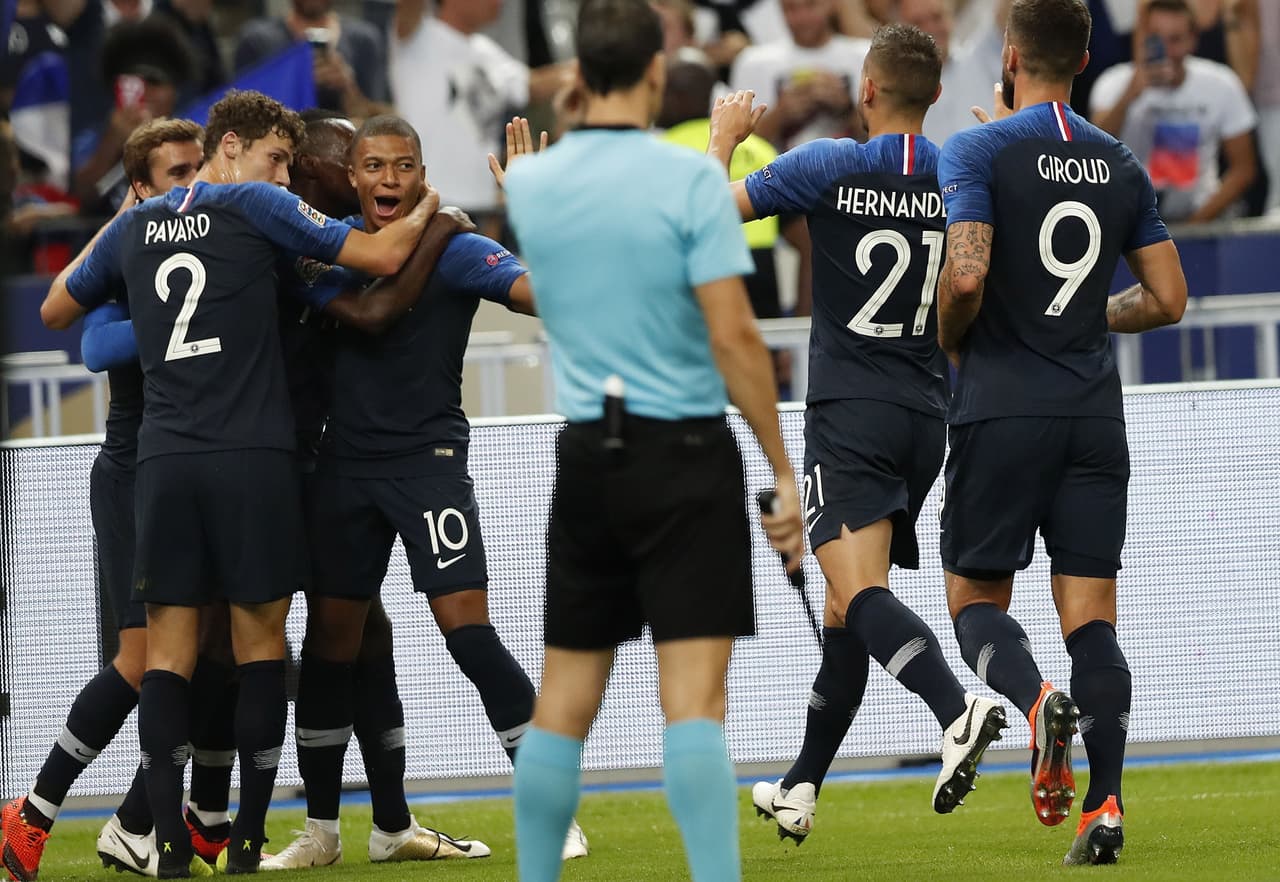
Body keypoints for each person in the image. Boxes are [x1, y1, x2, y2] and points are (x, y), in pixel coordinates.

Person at [38, 89, 437, 878]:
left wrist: (138, 274)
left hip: (165, 463)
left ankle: (174, 845)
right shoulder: (258, 209)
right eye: (278, 158)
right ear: (233, 149)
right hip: (253, 459)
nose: (285, 176)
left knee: (168, 659)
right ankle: (246, 844)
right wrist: (433, 209)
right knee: (258, 651)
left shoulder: (136, 224)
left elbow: (58, 312)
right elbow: (382, 262)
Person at [499, 2, 805, 880]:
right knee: (694, 706)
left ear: (577, 75)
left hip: (589, 450)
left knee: (563, 703)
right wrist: (783, 472)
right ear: (657, 74)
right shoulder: (689, 185)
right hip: (685, 452)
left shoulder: (534, 186)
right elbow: (736, 338)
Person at [707, 24, 1009, 846]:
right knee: (845, 609)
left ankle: (958, 707)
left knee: (862, 592)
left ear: (866, 89)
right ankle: (801, 786)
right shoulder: (962, 171)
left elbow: (704, 224)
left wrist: (723, 140)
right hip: (925, 415)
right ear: (936, 95)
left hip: (847, 412)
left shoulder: (828, 164)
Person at [261, 112, 559, 869]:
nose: (388, 180)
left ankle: (552, 810)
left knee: (468, 632)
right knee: (329, 649)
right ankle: (321, 832)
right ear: (352, 179)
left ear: (420, 174)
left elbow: (540, 293)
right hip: (344, 472)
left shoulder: (457, 249)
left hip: (428, 466)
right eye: (374, 167)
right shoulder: (321, 253)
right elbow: (371, 308)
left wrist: (537, 212)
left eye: (403, 168)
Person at [936, 0, 1187, 865]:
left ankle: (1039, 702)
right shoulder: (1118, 161)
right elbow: (1168, 299)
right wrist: (1088, 315)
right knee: (1093, 621)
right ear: (1083, 60)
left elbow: (965, 277)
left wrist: (948, 333)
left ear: (1009, 56)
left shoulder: (977, 148)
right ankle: (1107, 806)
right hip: (1092, 415)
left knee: (974, 602)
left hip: (1003, 406)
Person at [1, 117, 203, 882]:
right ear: (142, 190)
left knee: (207, 653)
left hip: (199, 469)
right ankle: (37, 810)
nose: (191, 184)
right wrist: (198, 327)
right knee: (143, 658)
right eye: (174, 173)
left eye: (197, 168)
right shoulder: (131, 249)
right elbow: (87, 342)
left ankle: (132, 822)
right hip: (134, 471)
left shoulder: (217, 238)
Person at [390, 0, 568, 215]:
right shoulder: (417, 35)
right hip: (427, 202)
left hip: (481, 205)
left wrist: (590, 65)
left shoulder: (485, 50)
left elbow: (531, 86)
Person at [1089, 0, 1257, 223]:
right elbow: (1091, 155)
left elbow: (1244, 169)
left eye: (1175, 40)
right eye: (1156, 37)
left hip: (1202, 218)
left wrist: (1195, 224)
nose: (1165, 50)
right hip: (1131, 223)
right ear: (1142, 35)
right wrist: (1130, 94)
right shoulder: (1113, 84)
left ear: (1193, 40)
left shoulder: (1222, 84)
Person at [728, 0, 870, 151]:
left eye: (811, 5)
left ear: (831, 4)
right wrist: (781, 113)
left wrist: (845, 108)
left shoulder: (866, 55)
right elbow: (738, 144)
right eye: (791, 8)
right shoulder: (752, 62)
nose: (802, 18)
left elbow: (886, 135)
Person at [234, 0, 389, 119]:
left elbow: (379, 120)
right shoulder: (257, 41)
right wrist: (299, 81)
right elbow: (241, 116)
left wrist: (348, 87)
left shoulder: (364, 41)